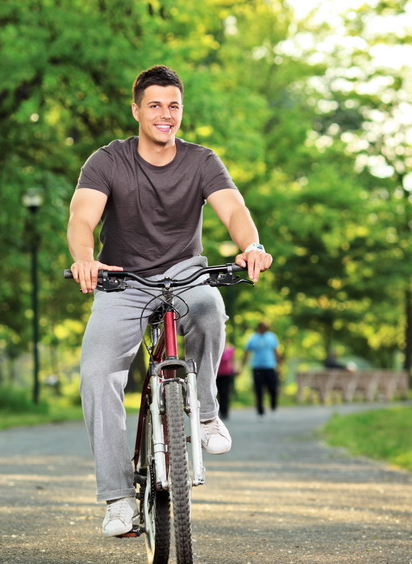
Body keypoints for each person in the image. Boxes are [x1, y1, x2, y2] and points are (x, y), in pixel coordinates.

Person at [67, 65, 272, 537]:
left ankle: (204, 414)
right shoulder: (107, 161)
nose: (165, 115)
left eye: (173, 106)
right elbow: (82, 219)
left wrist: (252, 247)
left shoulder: (202, 161)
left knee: (210, 307)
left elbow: (234, 209)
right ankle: (119, 499)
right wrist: (84, 259)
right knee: (97, 376)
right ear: (136, 109)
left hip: (184, 274)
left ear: (182, 111)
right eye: (155, 105)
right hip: (122, 279)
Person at [241, 321, 281, 418]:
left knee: (273, 388)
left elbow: (276, 352)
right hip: (257, 367)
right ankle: (260, 410)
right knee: (258, 389)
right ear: (259, 327)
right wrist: (241, 366)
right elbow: (246, 352)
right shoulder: (253, 338)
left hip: (270, 367)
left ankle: (273, 405)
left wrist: (280, 366)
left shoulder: (272, 337)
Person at [216, 343, 237, 420]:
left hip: (227, 374)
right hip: (217, 374)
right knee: (217, 393)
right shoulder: (216, 348)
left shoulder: (230, 349)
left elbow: (232, 361)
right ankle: (218, 410)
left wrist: (234, 370)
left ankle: (225, 411)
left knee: (225, 393)